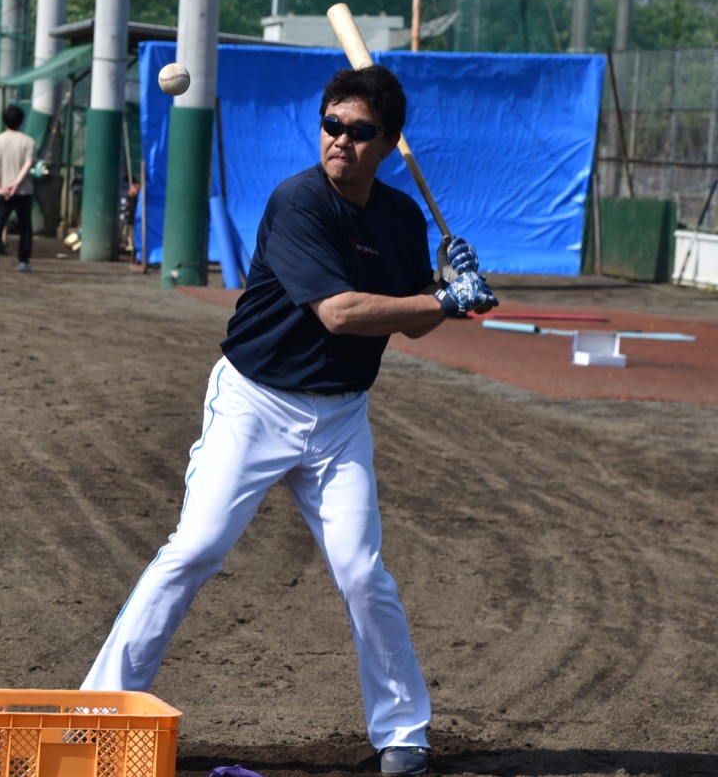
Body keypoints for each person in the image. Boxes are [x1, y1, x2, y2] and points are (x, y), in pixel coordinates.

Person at [78, 65, 498, 777]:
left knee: (364, 572)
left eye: (359, 131)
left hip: (340, 419)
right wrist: (447, 300)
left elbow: (413, 327)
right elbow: (340, 313)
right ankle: (101, 708)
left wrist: (442, 279)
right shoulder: (298, 201)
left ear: (389, 141)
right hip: (256, 402)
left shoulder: (401, 219)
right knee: (197, 547)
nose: (339, 140)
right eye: (331, 125)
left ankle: (403, 731)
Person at [0, 104, 36, 273]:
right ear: (21, 121)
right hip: (24, 191)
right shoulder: (29, 142)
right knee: (25, 226)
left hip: (1, 191)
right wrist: (16, 184)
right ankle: (23, 261)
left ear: (4, 121)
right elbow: (28, 164)